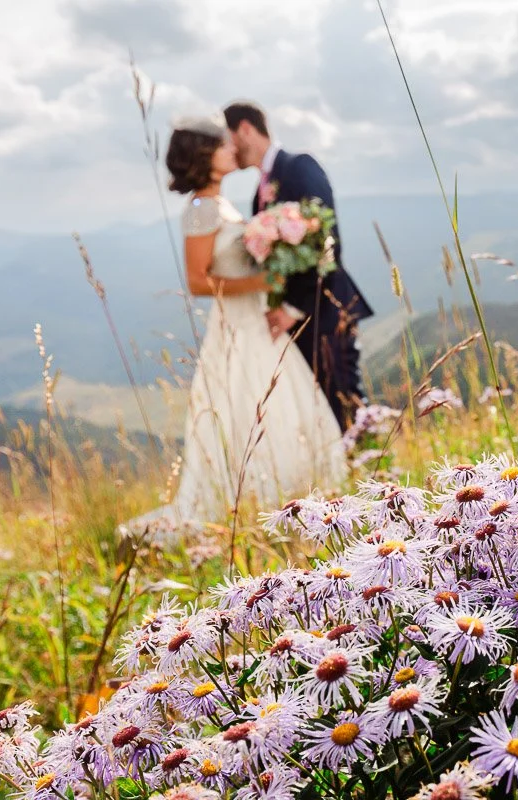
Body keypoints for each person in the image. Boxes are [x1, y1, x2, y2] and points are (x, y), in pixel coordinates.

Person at [122, 115, 347, 538]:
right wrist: (260, 281)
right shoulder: (200, 210)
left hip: (258, 325)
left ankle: (290, 503)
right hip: (237, 330)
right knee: (248, 414)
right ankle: (258, 508)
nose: (232, 150)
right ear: (205, 156)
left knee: (286, 411)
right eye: (223, 146)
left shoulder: (222, 205)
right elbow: (196, 281)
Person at [224, 100, 374, 431]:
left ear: (245, 129)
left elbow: (326, 239)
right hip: (296, 322)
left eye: (229, 137)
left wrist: (293, 307)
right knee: (322, 412)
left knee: (346, 403)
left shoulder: (299, 166)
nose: (228, 149)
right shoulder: (258, 193)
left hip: (326, 308)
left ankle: (379, 474)